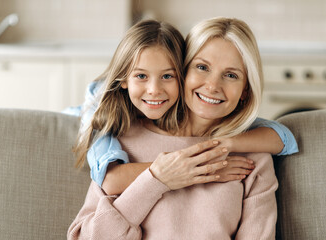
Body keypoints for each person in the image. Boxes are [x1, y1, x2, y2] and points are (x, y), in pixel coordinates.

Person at [67, 17, 295, 239]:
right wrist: (156, 179)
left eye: (231, 75)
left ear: (245, 90)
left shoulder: (253, 158)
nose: (213, 86)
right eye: (202, 67)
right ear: (183, 71)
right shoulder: (121, 143)